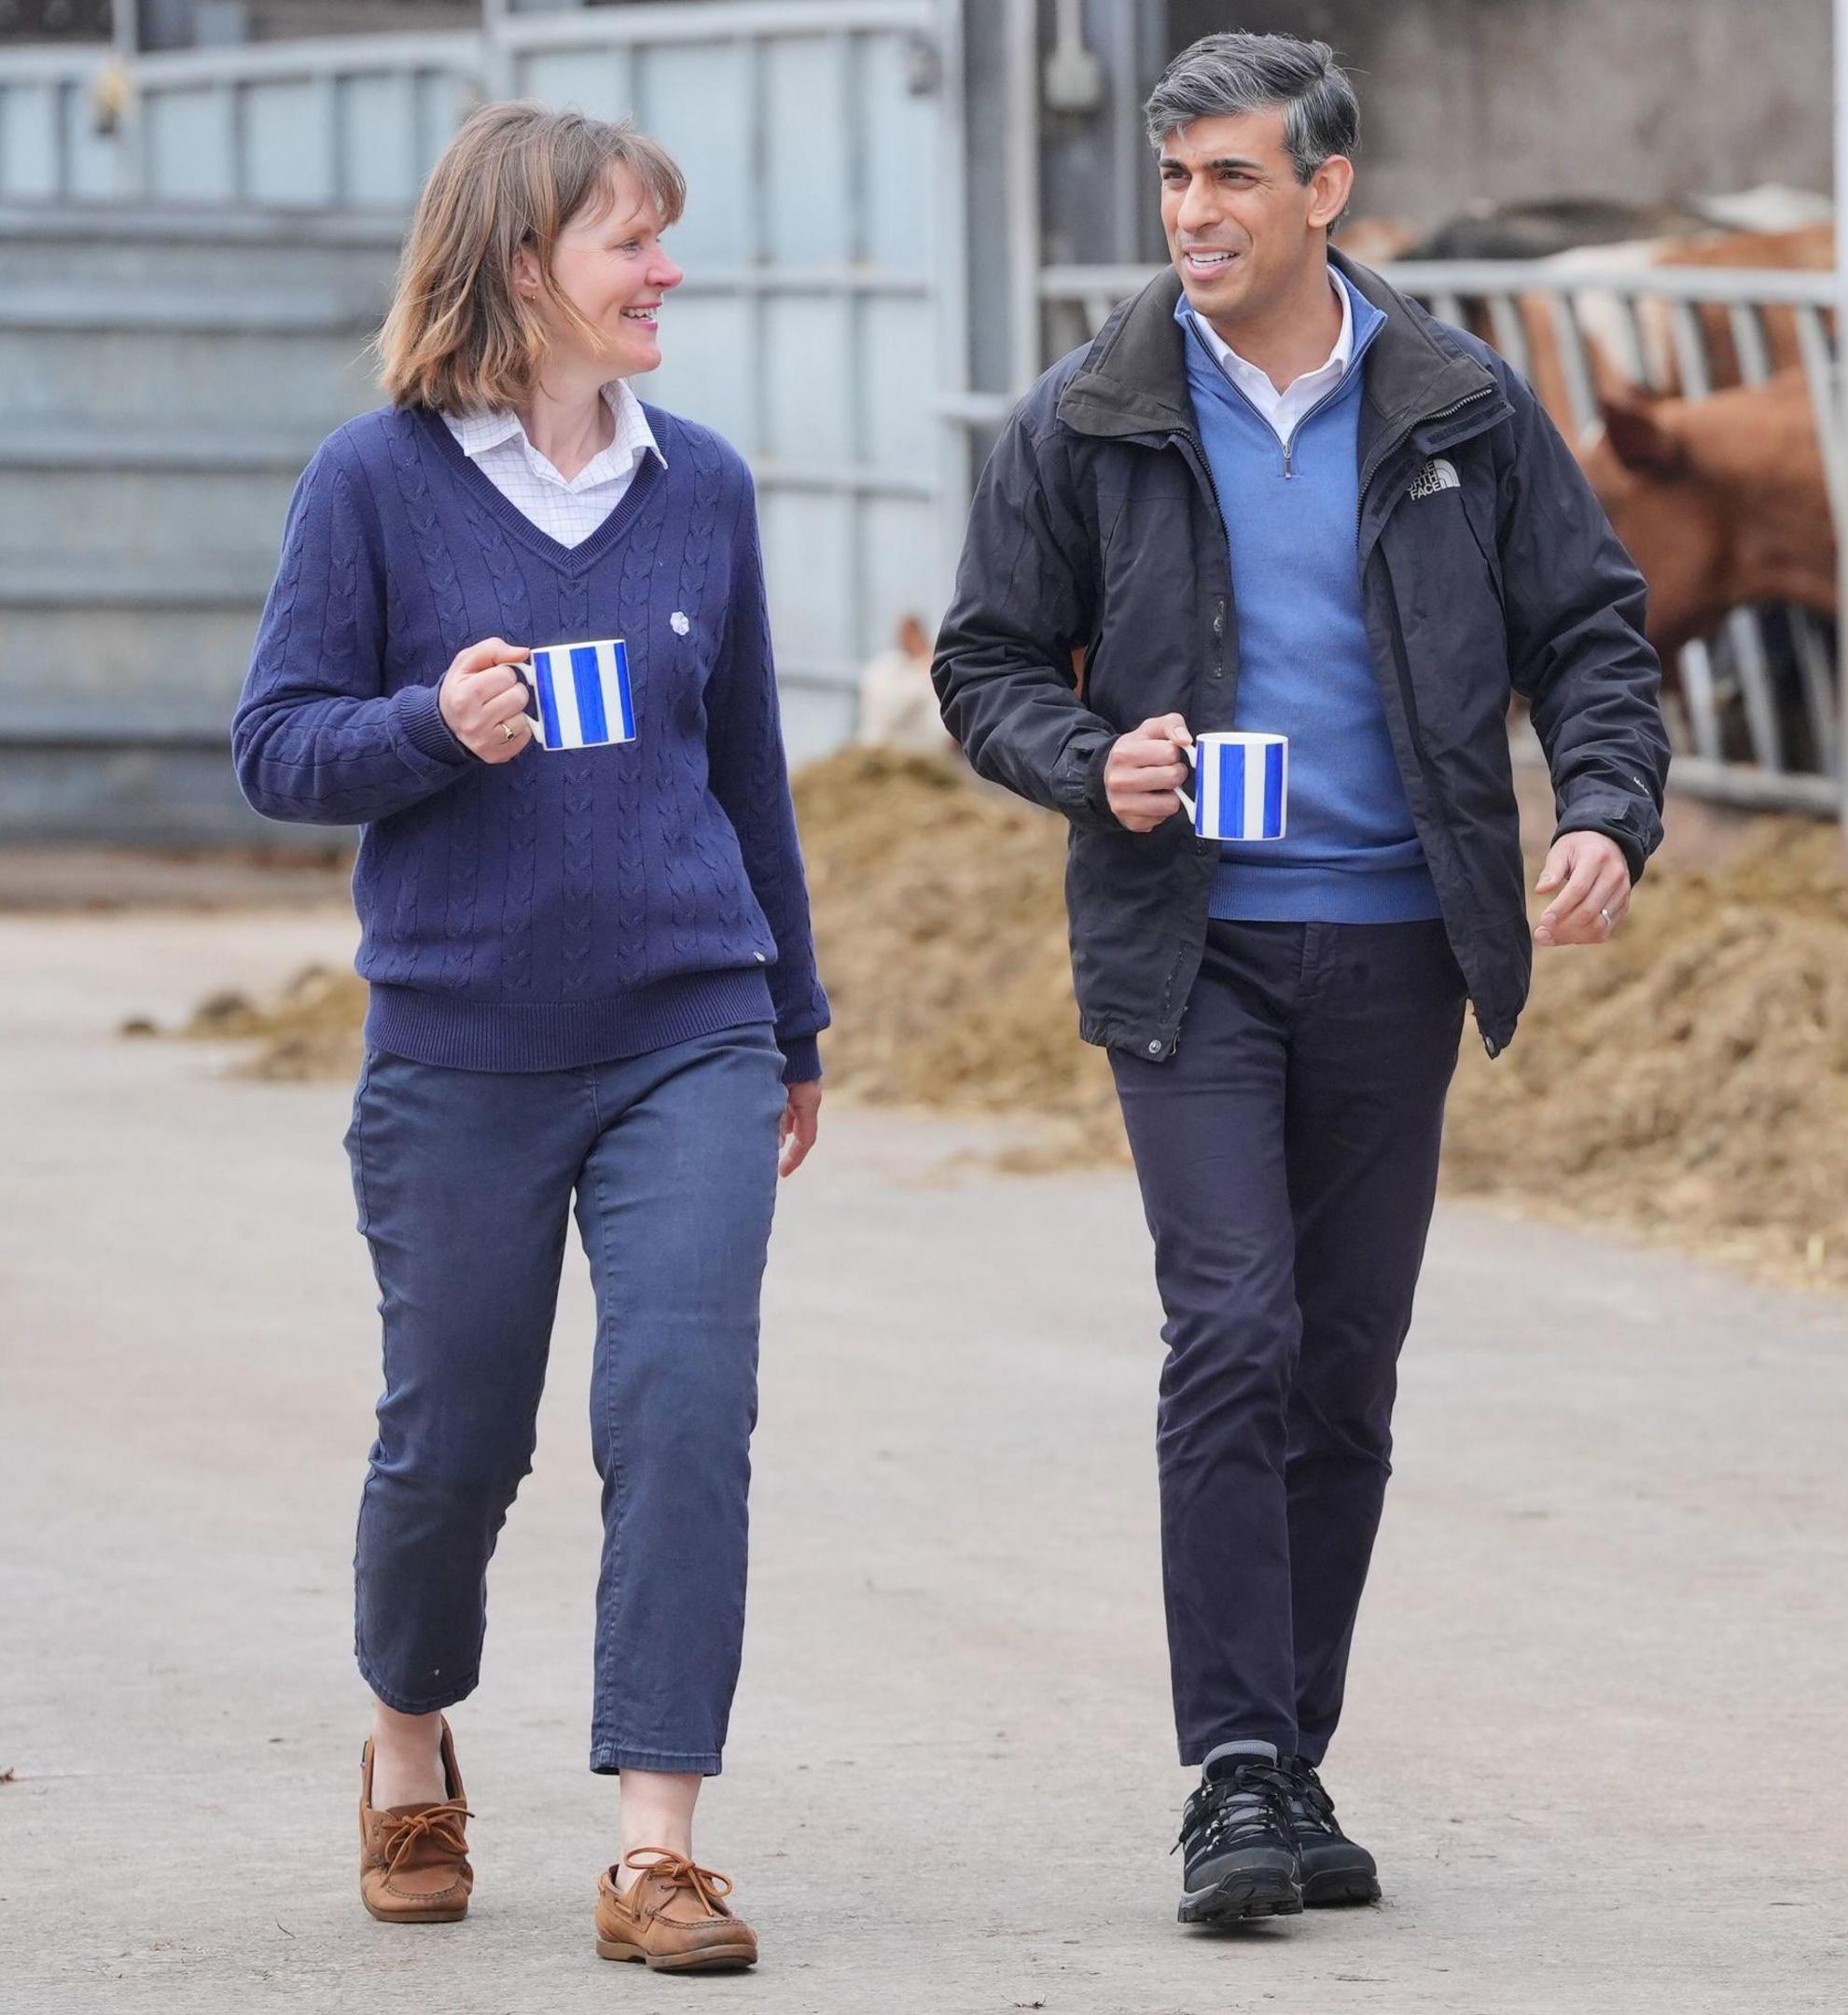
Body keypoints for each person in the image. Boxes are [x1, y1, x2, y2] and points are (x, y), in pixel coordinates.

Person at [933, 32, 1669, 1927]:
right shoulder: (1087, 415)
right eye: (1175, 180)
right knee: (1236, 1332)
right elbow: (986, 663)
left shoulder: (1461, 408)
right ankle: (1235, 1765)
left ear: (1325, 192)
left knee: (1344, 1372)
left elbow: (1590, 626)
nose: (1193, 214)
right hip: (1190, 953)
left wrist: (1605, 807)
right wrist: (1088, 758)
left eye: (1233, 178)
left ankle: (1293, 1759)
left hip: (1402, 948)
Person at [229, 101, 827, 1975]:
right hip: (463, 1047)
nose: (666, 275)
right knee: (453, 1444)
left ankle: (660, 1846)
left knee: (683, 1410)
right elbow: (276, 745)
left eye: (663, 237)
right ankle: (409, 1739)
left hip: (689, 1032)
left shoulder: (701, 485)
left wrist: (794, 1018)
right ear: (520, 268)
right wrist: (429, 728)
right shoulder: (373, 482)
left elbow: (750, 780)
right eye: (629, 244)